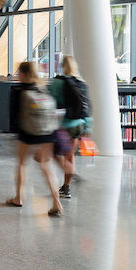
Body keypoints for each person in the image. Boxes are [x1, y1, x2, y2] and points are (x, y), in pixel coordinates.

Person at [7, 60, 62, 216]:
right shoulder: (44, 88)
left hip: (28, 132)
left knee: (22, 165)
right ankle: (56, 201)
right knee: (47, 166)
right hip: (48, 131)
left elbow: (14, 116)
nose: (17, 74)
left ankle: (18, 198)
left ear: (24, 74)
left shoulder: (19, 91)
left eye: (19, 72)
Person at [49, 54, 92, 200]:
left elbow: (51, 102)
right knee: (70, 156)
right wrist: (87, 126)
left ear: (62, 66)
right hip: (78, 125)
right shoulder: (82, 83)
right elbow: (87, 107)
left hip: (61, 125)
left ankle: (69, 172)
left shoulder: (56, 82)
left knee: (53, 154)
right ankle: (66, 187)